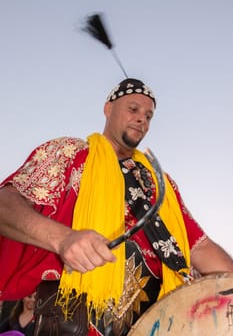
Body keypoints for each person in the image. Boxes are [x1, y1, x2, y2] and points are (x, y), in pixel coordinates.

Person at [0, 78, 233, 335]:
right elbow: (5, 202)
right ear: (108, 108)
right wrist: (63, 239)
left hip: (155, 325)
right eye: (133, 109)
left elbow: (199, 246)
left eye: (148, 115)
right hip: (71, 323)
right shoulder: (70, 153)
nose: (142, 119)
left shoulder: (160, 184)